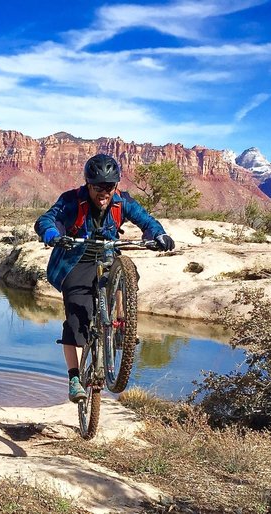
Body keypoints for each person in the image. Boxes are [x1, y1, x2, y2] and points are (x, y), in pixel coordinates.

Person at [34, 154, 175, 402]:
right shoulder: (71, 201)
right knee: (77, 318)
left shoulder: (122, 202)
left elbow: (147, 221)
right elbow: (47, 220)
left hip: (108, 255)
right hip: (76, 260)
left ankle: (121, 326)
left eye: (109, 187)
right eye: (98, 186)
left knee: (126, 275)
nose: (104, 192)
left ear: (116, 185)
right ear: (88, 184)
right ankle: (75, 378)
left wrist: (159, 235)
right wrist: (53, 235)